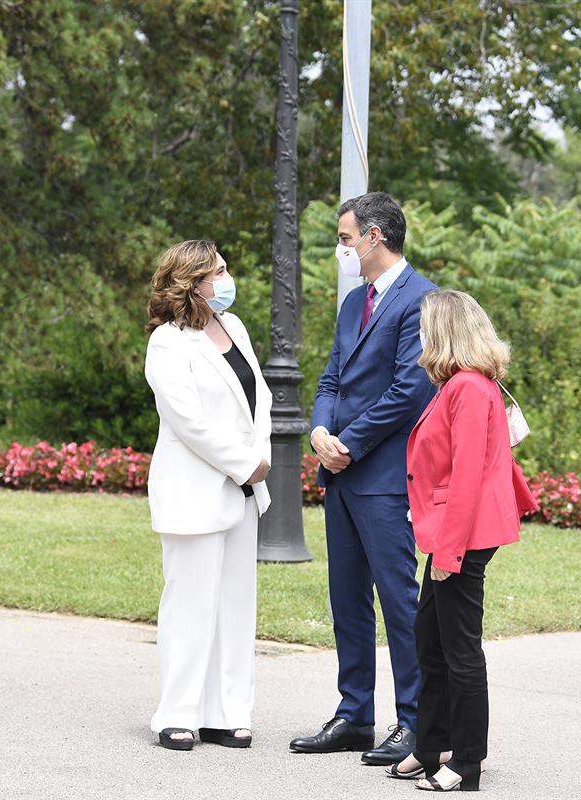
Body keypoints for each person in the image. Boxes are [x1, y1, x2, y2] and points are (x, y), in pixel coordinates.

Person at [289, 193, 437, 766]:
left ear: (374, 236)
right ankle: (354, 715)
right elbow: (332, 377)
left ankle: (415, 722)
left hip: (385, 476)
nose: (341, 248)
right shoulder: (354, 303)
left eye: (345, 238)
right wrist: (320, 433)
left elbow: (411, 389)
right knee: (347, 600)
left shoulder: (421, 299)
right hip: (341, 475)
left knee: (399, 601)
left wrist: (350, 443)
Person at [387, 289, 538, 791]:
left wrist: (447, 554)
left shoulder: (470, 388)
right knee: (430, 639)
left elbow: (469, 473)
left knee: (459, 648)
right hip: (453, 529)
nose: (422, 336)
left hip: (464, 534)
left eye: (428, 326)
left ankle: (466, 761)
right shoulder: (460, 384)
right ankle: (432, 745)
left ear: (445, 331)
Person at [143, 239, 272, 751]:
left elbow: (256, 400)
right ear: (191, 282)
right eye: (218, 272)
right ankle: (177, 713)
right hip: (195, 491)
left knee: (235, 605)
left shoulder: (234, 328)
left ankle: (228, 711)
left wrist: (256, 463)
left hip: (243, 492)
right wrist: (245, 463)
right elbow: (189, 421)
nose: (227, 278)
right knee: (191, 604)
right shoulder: (168, 343)